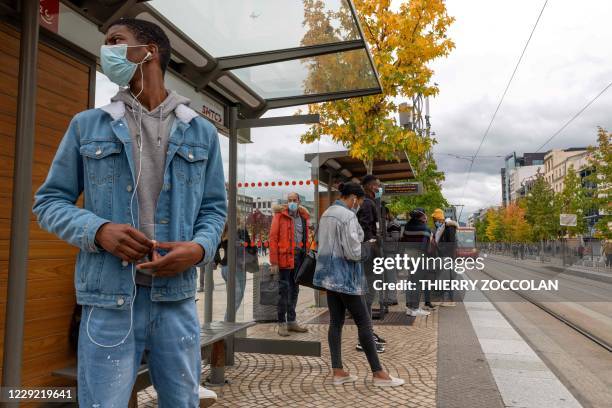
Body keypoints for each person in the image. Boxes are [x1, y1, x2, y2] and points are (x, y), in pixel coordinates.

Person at [32, 18, 226, 407]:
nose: (106, 50)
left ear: (148, 52)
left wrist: (200, 249)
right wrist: (99, 229)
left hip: (177, 301)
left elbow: (215, 209)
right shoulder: (87, 126)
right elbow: (48, 202)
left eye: (115, 41)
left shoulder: (200, 132)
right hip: (107, 302)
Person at [313, 182, 404, 387]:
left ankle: (338, 371)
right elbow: (353, 252)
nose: (359, 206)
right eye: (360, 202)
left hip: (329, 278)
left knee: (336, 323)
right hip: (346, 279)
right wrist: (367, 249)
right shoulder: (347, 216)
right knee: (364, 323)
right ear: (353, 198)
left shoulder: (327, 213)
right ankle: (379, 374)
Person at [270, 193, 311, 336]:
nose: (292, 202)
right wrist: (274, 262)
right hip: (284, 259)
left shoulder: (303, 217)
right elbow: (273, 238)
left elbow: (306, 238)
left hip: (299, 258)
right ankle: (281, 323)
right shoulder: (279, 216)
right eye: (289, 200)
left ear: (299, 201)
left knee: (295, 290)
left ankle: (292, 322)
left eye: (294, 200)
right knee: (284, 291)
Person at [356, 174, 386, 351]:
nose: (378, 188)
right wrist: (373, 244)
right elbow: (366, 230)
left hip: (369, 253)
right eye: (376, 185)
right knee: (368, 296)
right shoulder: (367, 203)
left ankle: (367, 333)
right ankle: (364, 339)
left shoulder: (370, 202)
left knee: (368, 296)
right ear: (367, 186)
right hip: (369, 255)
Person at [215, 222, 257, 321]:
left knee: (231, 298)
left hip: (225, 268)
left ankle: (229, 321)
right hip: (237, 267)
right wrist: (252, 246)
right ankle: (227, 322)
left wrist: (217, 261)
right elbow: (249, 247)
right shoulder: (241, 230)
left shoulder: (223, 231)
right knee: (237, 297)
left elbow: (215, 248)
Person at [400, 208, 433, 317]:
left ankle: (409, 307)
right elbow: (425, 247)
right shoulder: (426, 229)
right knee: (417, 283)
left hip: (408, 257)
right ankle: (415, 308)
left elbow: (403, 241)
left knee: (410, 280)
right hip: (420, 258)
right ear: (422, 217)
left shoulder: (407, 227)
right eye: (425, 216)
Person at [431, 209, 459, 307]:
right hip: (444, 256)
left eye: (435, 219)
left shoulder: (449, 227)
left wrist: (439, 247)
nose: (434, 221)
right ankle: (446, 299)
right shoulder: (443, 227)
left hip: (447, 256)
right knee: (445, 278)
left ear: (439, 218)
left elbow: (450, 244)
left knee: (447, 278)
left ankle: (447, 300)